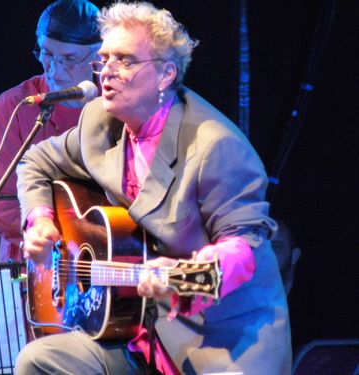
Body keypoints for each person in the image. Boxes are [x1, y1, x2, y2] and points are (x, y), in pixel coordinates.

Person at [15, 2, 292, 374]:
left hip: (218, 340)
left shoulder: (214, 146)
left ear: (165, 75)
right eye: (104, 59)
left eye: (125, 60)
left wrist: (187, 275)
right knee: (38, 361)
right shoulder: (100, 120)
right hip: (134, 329)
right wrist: (40, 220)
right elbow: (34, 162)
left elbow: (243, 246)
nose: (107, 72)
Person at [0, 0, 101, 263]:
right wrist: (43, 239)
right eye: (47, 53)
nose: (54, 68)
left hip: (103, 253)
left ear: (98, 58)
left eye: (68, 58)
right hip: (34, 264)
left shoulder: (119, 105)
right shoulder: (14, 106)